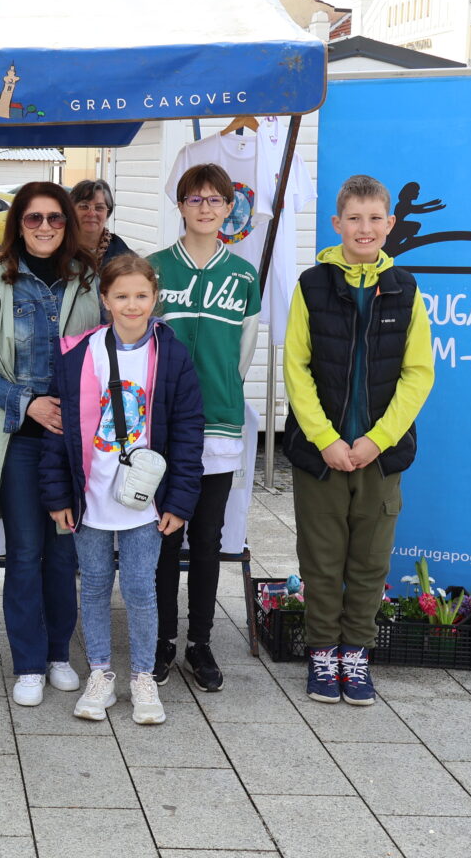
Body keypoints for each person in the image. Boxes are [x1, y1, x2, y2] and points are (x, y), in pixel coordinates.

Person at [284, 175, 434, 706]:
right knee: (321, 560)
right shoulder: (311, 285)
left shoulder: (406, 289)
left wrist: (377, 440)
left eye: (374, 219)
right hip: (320, 456)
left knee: (370, 562)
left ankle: (356, 653)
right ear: (337, 224)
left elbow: (418, 374)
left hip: (380, 457)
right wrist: (325, 438)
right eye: (354, 218)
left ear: (389, 224)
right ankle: (323, 652)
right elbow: (296, 369)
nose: (364, 228)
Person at [39, 255, 204, 725]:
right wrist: (58, 496)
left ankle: (143, 677)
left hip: (146, 499)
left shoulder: (172, 355)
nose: (133, 305)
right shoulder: (78, 353)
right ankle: (101, 673)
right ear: (105, 300)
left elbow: (189, 432)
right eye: (122, 296)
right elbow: (57, 430)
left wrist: (180, 501)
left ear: (155, 298)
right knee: (93, 585)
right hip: (89, 495)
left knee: (139, 587)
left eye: (142, 295)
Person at [0, 182, 99, 707]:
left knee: (64, 552)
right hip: (20, 438)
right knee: (24, 553)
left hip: (73, 442)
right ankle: (27, 662)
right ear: (18, 225)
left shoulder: (89, 282)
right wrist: (28, 403)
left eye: (55, 218)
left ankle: (59, 654)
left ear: (69, 224)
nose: (45, 227)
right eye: (33, 218)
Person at [148, 163, 261, 693]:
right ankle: (161, 640)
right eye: (195, 199)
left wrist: (221, 390)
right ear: (180, 205)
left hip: (218, 420)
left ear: (229, 209)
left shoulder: (243, 276)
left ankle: (200, 642)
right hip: (161, 425)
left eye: (215, 200)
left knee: (208, 538)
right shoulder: (153, 270)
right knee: (164, 536)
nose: (205, 208)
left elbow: (243, 353)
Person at [70, 179, 136, 265]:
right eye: (84, 206)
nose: (91, 214)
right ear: (72, 210)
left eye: (99, 207)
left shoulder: (121, 253)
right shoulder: (59, 249)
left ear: (107, 213)